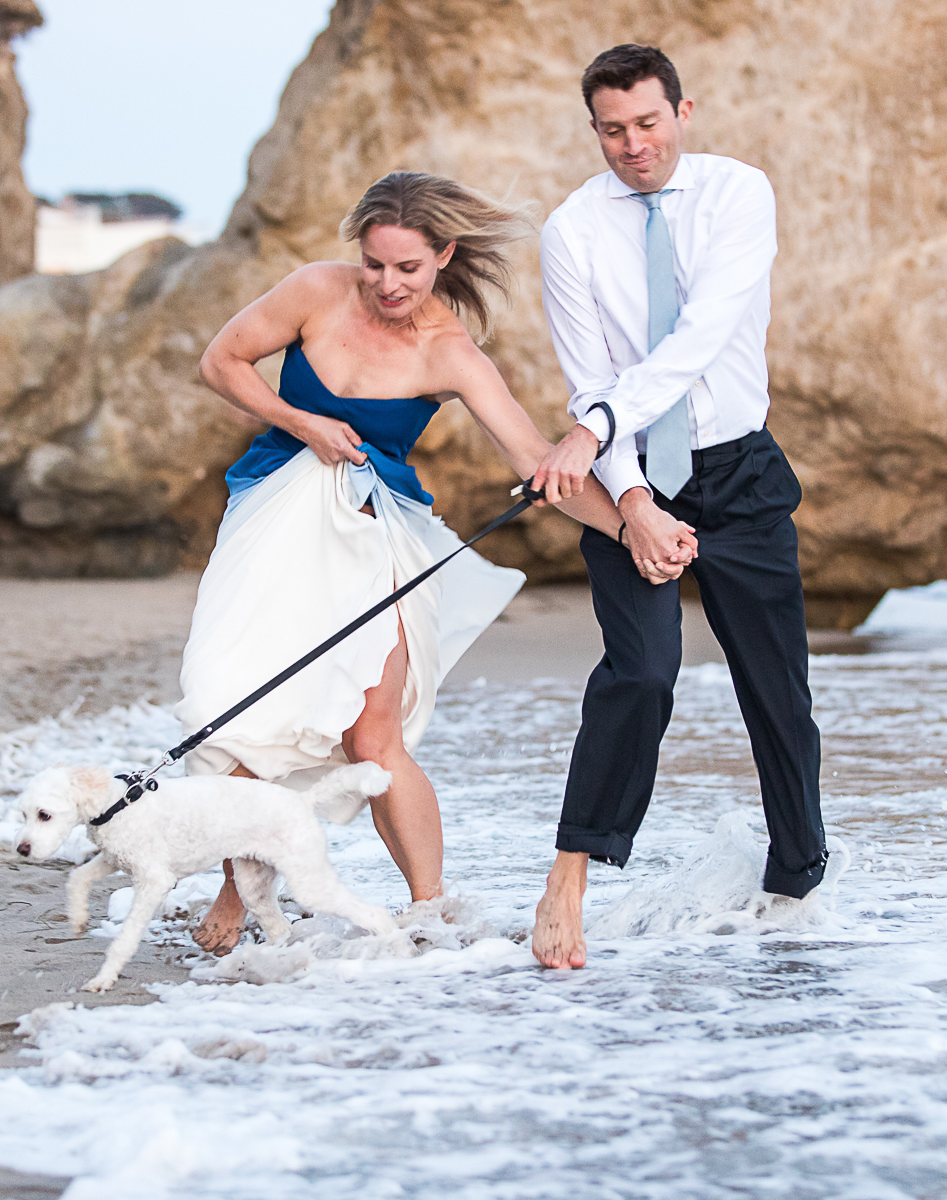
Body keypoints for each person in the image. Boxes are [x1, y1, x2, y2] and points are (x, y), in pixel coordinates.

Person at [183, 172, 683, 955]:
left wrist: (633, 529)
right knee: (247, 711)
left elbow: (534, 461)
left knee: (370, 736)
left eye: (408, 269)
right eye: (375, 264)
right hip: (274, 515)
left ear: (444, 256)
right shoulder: (316, 291)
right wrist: (301, 421)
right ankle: (237, 886)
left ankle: (430, 912)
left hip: (372, 530)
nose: (387, 284)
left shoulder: (451, 352)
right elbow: (221, 362)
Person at [527, 45, 829, 970]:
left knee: (776, 692)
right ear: (595, 130)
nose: (633, 145)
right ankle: (569, 874)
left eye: (648, 123)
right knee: (642, 673)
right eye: (613, 130)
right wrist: (629, 500)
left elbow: (702, 334)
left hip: (737, 470)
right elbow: (589, 383)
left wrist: (601, 423)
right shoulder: (571, 231)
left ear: (682, 112)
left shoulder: (740, 195)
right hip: (629, 476)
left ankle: (795, 884)